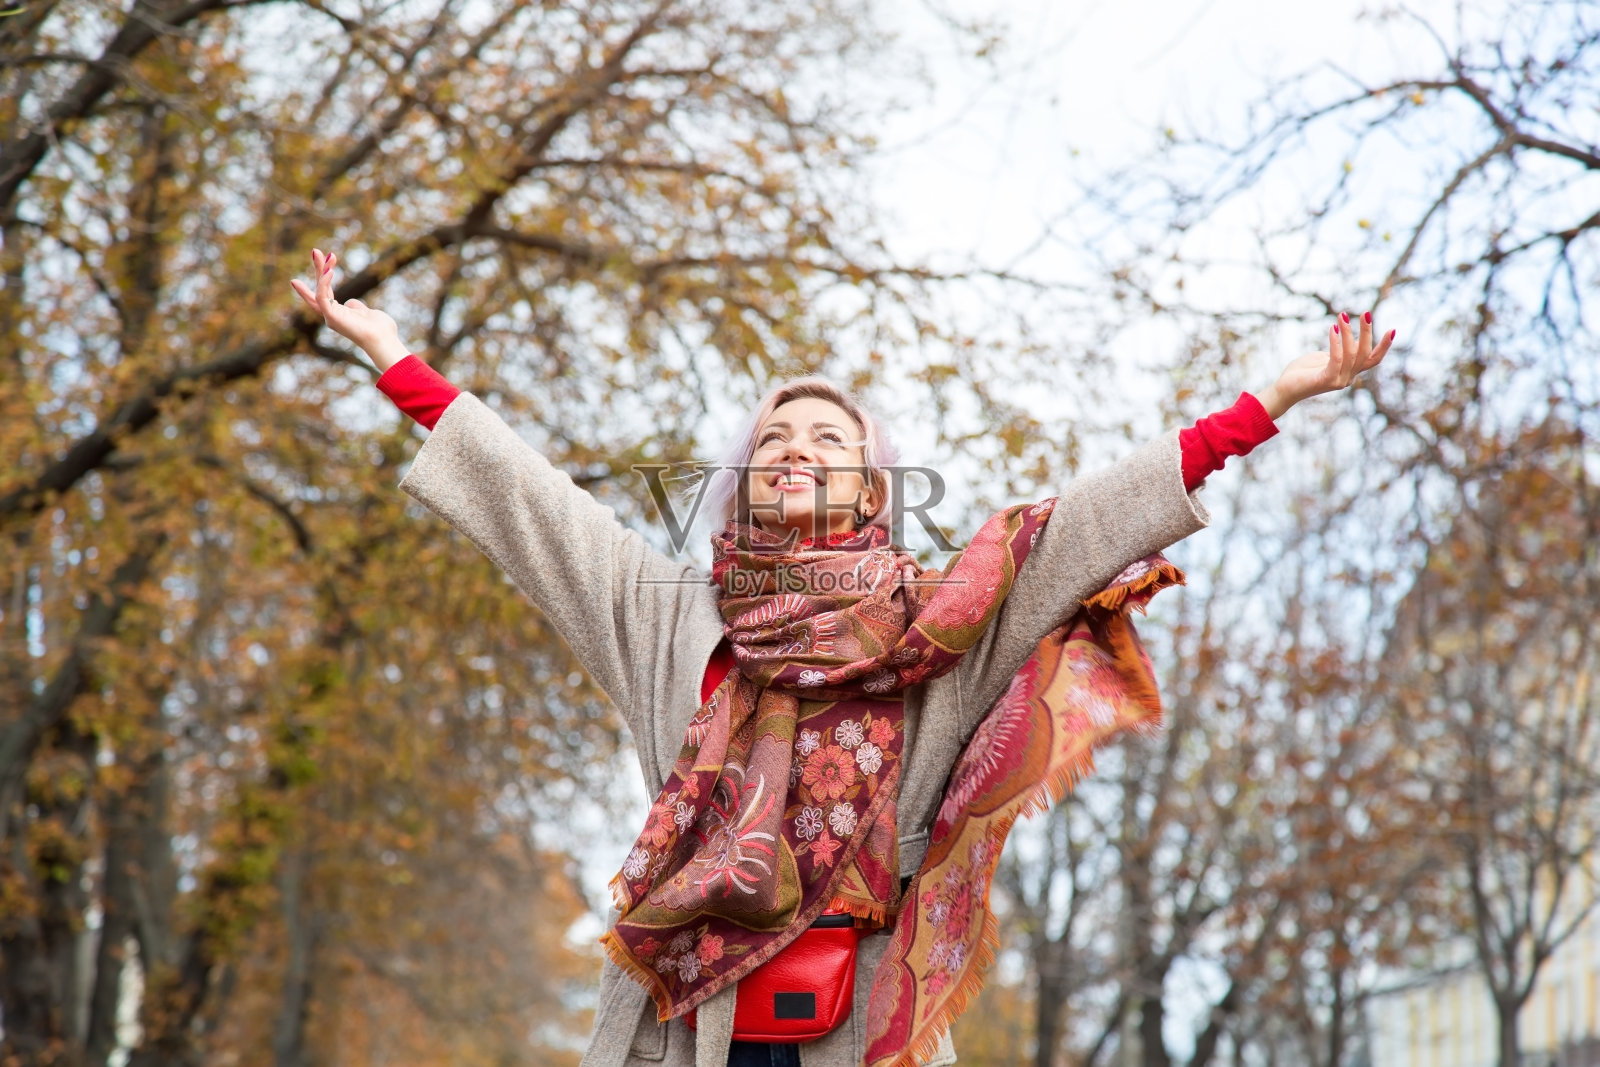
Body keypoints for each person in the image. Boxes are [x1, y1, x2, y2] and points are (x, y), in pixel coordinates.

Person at [291, 248, 1394, 1067]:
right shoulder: (673, 614)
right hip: (687, 1024)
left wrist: (1270, 401)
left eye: (825, 440)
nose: (794, 452)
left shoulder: (940, 622)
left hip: (863, 1016)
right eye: (773, 437)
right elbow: (529, 502)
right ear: (744, 477)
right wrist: (393, 355)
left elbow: (1086, 526)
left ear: (870, 489)